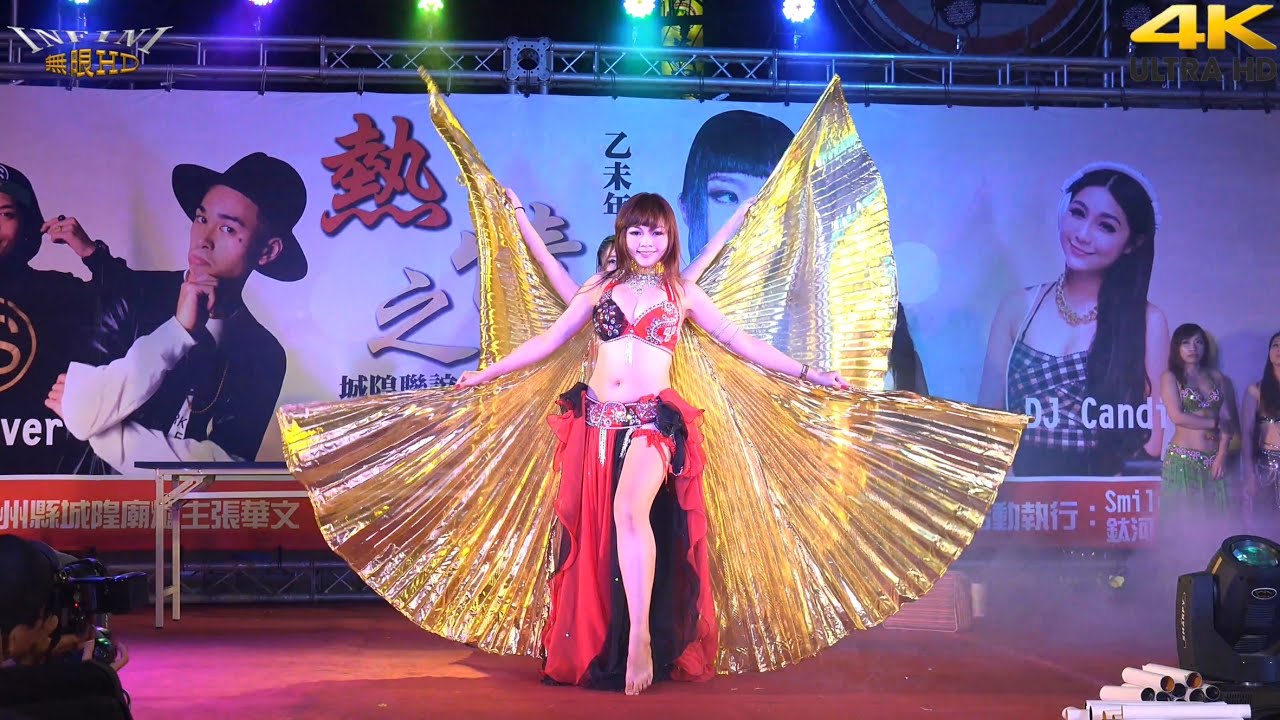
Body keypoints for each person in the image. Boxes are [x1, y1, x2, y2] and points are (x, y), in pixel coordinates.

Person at [276, 76, 1027, 698]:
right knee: (592, 532)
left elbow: (741, 342)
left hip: (652, 424)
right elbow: (547, 335)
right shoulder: (598, 291)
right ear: (623, 235)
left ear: (669, 236)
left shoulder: (681, 294)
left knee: (630, 513)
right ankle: (610, 635)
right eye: (635, 231)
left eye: (657, 232)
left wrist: (808, 371)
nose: (646, 240)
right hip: (593, 420)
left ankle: (638, 639)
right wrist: (488, 357)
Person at [39, 153, 307, 475]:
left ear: (267, 251)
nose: (203, 240)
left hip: (185, 507)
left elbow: (226, 472)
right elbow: (78, 407)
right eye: (201, 219)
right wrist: (177, 332)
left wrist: (104, 432)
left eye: (227, 228)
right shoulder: (133, 296)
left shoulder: (263, 354)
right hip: (92, 499)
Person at [978, 162, 1168, 477]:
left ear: (1133, 243)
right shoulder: (1017, 307)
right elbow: (988, 419)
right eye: (1078, 213)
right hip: (1024, 488)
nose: (1082, 234)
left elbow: (1154, 439)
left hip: (1106, 489)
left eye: (1105, 227)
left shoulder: (1148, 320)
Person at [0, 163, 98, 476]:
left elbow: (135, 308)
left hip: (43, 488)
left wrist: (91, 253)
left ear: (27, 223)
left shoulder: (57, 292)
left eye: (6, 214)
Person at [0, 535, 132, 720]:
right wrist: (90, 679)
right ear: (11, 640)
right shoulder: (99, 706)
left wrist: (30, 657)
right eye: (44, 616)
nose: (52, 623)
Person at [1158, 324, 1233, 510]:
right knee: (1185, 519)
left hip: (1214, 459)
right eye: (1186, 343)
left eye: (1198, 342)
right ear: (1177, 347)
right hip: (1183, 460)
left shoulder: (1217, 377)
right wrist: (1214, 423)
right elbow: (1177, 416)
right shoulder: (1171, 377)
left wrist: (1222, 455)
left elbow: (1227, 419)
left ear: (1205, 347)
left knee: (1217, 518)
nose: (1192, 348)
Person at [1242, 332, 1280, 514]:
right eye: (1275, 345)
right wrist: (1249, 473)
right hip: (1266, 467)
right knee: (1266, 521)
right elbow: (1247, 433)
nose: (1279, 350)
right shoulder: (1256, 390)